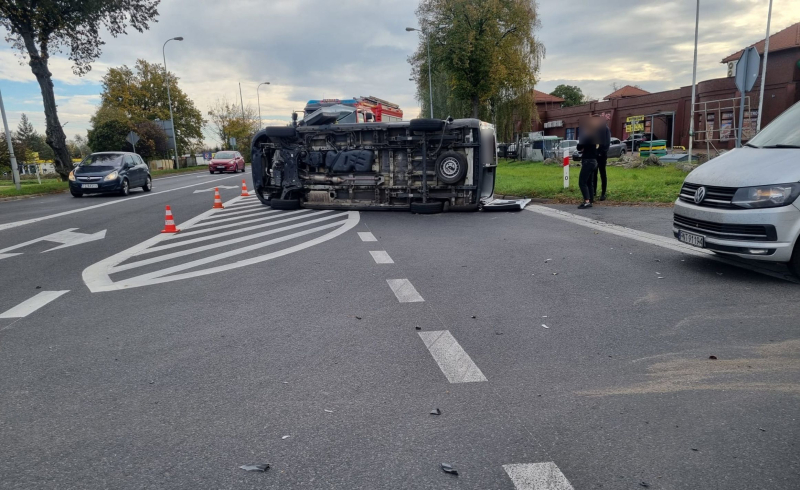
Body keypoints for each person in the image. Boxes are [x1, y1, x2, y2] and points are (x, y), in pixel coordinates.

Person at [576, 117, 601, 209]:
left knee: (582, 182)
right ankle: (590, 200)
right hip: (594, 161)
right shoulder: (595, 137)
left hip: (587, 161)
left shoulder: (587, 138)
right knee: (590, 182)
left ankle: (586, 201)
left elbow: (579, 147)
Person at [593, 118, 611, 201]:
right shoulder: (595, 130)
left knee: (602, 173)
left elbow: (607, 143)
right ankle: (593, 191)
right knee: (594, 173)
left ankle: (603, 193)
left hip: (602, 155)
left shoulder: (606, 129)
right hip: (595, 154)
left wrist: (601, 152)